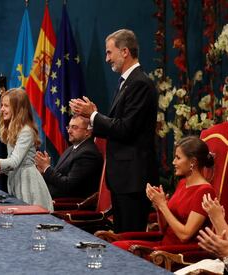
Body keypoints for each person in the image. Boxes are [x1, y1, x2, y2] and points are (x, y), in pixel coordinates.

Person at [69, 29, 159, 233]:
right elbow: (119, 124)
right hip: (123, 179)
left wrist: (93, 115)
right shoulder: (127, 83)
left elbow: (126, 129)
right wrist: (93, 116)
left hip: (134, 179)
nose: (107, 58)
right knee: (122, 238)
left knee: (130, 240)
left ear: (125, 51)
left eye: (110, 53)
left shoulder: (140, 83)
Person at [112, 136, 216, 250]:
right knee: (116, 247)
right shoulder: (182, 183)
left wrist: (163, 205)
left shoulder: (205, 191)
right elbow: (164, 229)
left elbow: (185, 235)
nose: (173, 162)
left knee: (119, 248)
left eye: (178, 158)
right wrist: (159, 206)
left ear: (193, 162)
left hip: (178, 253)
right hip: (163, 246)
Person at [34, 114, 103, 198]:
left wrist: (47, 168)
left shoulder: (88, 154)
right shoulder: (71, 149)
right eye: (69, 127)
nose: (69, 131)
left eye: (74, 127)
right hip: (51, 199)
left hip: (67, 205)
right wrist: (43, 171)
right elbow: (59, 177)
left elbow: (68, 186)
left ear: (87, 132)